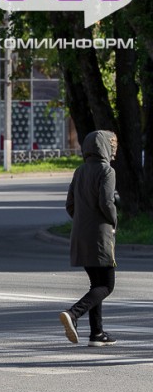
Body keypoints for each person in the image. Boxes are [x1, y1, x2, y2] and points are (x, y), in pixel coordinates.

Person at [59, 130, 119, 346]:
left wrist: (83, 220)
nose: (114, 150)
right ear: (105, 147)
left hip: (80, 235)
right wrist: (114, 220)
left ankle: (97, 333)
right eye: (112, 146)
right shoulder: (107, 171)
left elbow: (70, 205)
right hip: (100, 236)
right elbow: (106, 202)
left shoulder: (80, 171)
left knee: (96, 283)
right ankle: (73, 313)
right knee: (107, 285)